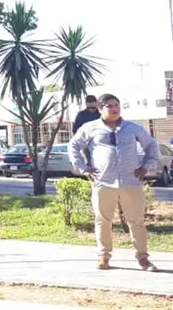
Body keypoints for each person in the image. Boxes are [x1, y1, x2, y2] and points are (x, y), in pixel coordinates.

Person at [68, 93, 158, 272]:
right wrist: (83, 168)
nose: (114, 108)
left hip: (131, 181)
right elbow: (74, 146)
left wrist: (146, 166)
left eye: (116, 104)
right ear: (100, 109)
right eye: (109, 105)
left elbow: (151, 146)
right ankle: (104, 256)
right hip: (103, 181)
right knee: (103, 219)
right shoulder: (90, 127)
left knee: (137, 221)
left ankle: (143, 258)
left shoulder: (133, 128)